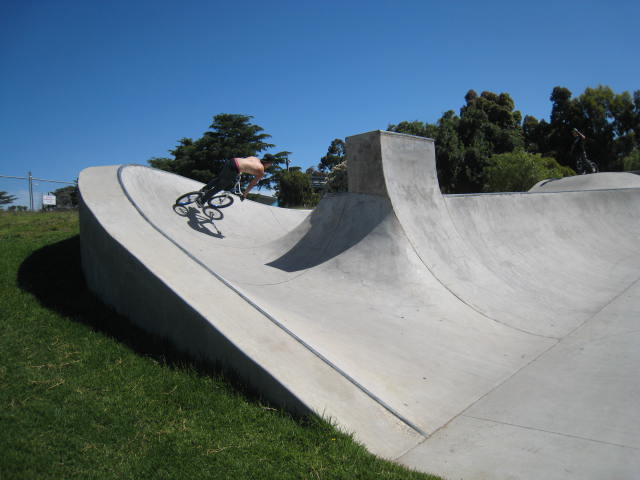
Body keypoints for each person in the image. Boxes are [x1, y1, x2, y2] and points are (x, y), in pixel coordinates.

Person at [199, 155, 273, 206]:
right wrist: (245, 194)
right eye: (270, 164)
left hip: (232, 161)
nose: (270, 166)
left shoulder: (255, 158)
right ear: (268, 163)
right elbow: (252, 184)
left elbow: (244, 163)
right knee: (220, 187)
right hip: (234, 169)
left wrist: (239, 172)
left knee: (219, 178)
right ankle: (202, 200)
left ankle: (204, 190)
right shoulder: (261, 171)